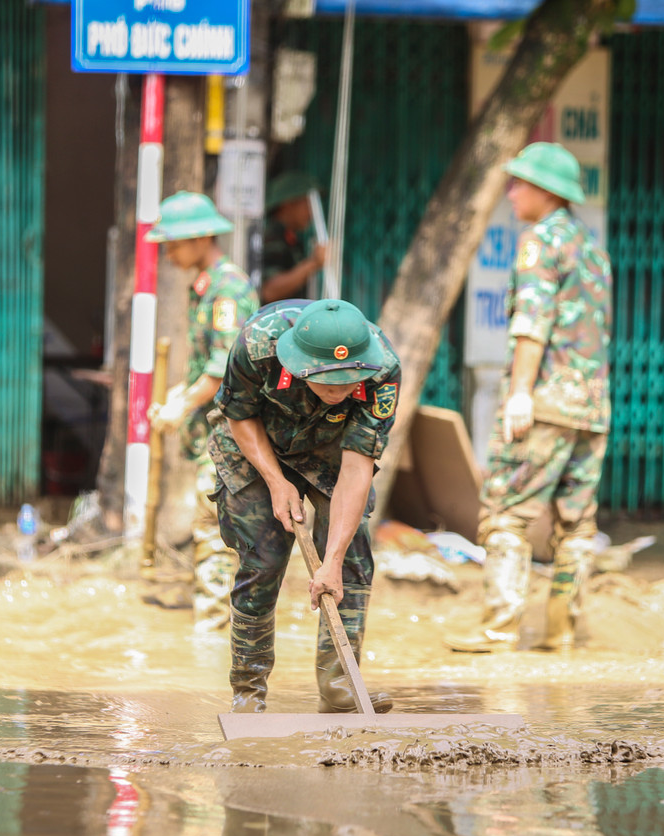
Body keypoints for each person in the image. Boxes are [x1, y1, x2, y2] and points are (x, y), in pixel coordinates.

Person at [445, 142, 613, 656]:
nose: (512, 192)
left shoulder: (540, 242)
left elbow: (532, 325)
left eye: (519, 183)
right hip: (593, 407)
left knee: (506, 514)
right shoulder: (591, 247)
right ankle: (563, 630)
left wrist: (519, 393)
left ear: (545, 191)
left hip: (545, 402)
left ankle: (499, 628)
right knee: (577, 523)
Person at [210, 298, 399, 713]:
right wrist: (276, 481)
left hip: (333, 450)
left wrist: (330, 559)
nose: (337, 391)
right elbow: (238, 414)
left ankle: (339, 686)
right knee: (263, 556)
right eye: (326, 381)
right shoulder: (257, 345)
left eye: (347, 381)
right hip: (257, 444)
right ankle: (248, 690)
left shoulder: (383, 369)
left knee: (348, 560)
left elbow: (356, 467)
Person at [145, 192, 258, 628]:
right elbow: (205, 366)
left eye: (173, 243)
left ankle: (213, 622)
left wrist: (182, 404)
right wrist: (179, 394)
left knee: (212, 525)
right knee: (211, 521)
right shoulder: (205, 287)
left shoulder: (226, 289)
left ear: (200, 238)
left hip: (230, 432)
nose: (169, 253)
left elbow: (223, 368)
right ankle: (216, 617)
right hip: (214, 428)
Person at [261, 171, 327, 303]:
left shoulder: (290, 239)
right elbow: (269, 291)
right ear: (288, 204)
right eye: (307, 204)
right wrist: (313, 263)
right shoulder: (272, 238)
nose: (311, 213)